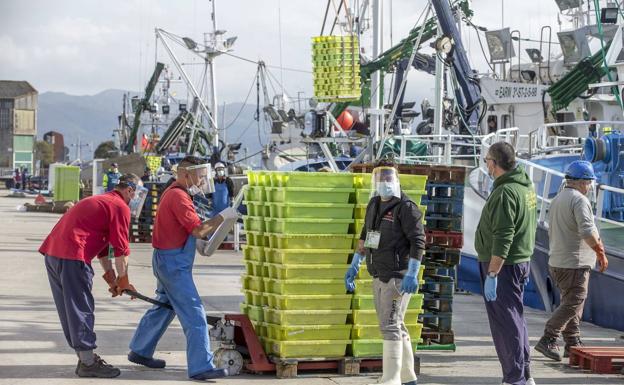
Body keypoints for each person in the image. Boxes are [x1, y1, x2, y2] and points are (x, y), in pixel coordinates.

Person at [128, 156, 234, 380]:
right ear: (187, 174)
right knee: (195, 313)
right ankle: (200, 366)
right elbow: (198, 230)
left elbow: (186, 230)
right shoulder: (179, 196)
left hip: (166, 260)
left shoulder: (174, 193)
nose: (204, 180)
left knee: (164, 307)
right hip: (174, 264)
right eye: (201, 176)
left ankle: (140, 349)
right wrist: (222, 217)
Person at [39, 173, 143, 378]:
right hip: (72, 256)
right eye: (138, 194)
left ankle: (85, 358)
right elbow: (121, 251)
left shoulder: (102, 200)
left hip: (54, 254)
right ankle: (87, 363)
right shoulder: (120, 206)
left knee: (70, 309)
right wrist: (124, 282)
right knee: (81, 308)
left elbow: (103, 250)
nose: (137, 199)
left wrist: (112, 279)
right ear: (129, 190)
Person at [344, 159, 426, 385]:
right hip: (378, 273)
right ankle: (408, 376)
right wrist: (355, 263)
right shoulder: (374, 204)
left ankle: (391, 379)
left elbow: (418, 242)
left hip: (398, 276)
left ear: (396, 179)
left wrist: (412, 273)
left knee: (390, 325)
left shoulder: (406, 208)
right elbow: (366, 235)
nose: (384, 182)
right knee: (396, 324)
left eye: (389, 177)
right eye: (380, 178)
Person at [475, 142, 537, 385]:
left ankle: (514, 377)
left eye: (487, 160)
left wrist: (492, 273)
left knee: (505, 323)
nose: (486, 165)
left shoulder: (505, 193)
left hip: (504, 267)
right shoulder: (526, 186)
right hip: (520, 262)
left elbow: (504, 235)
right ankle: (524, 374)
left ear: (494, 163)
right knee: (516, 318)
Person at [535, 160, 608, 361]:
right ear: (582, 181)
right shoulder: (579, 200)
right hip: (573, 263)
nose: (590, 186)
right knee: (574, 302)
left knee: (571, 302)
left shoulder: (558, 199)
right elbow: (587, 231)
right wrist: (600, 252)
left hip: (558, 261)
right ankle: (548, 337)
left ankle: (572, 342)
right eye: (590, 182)